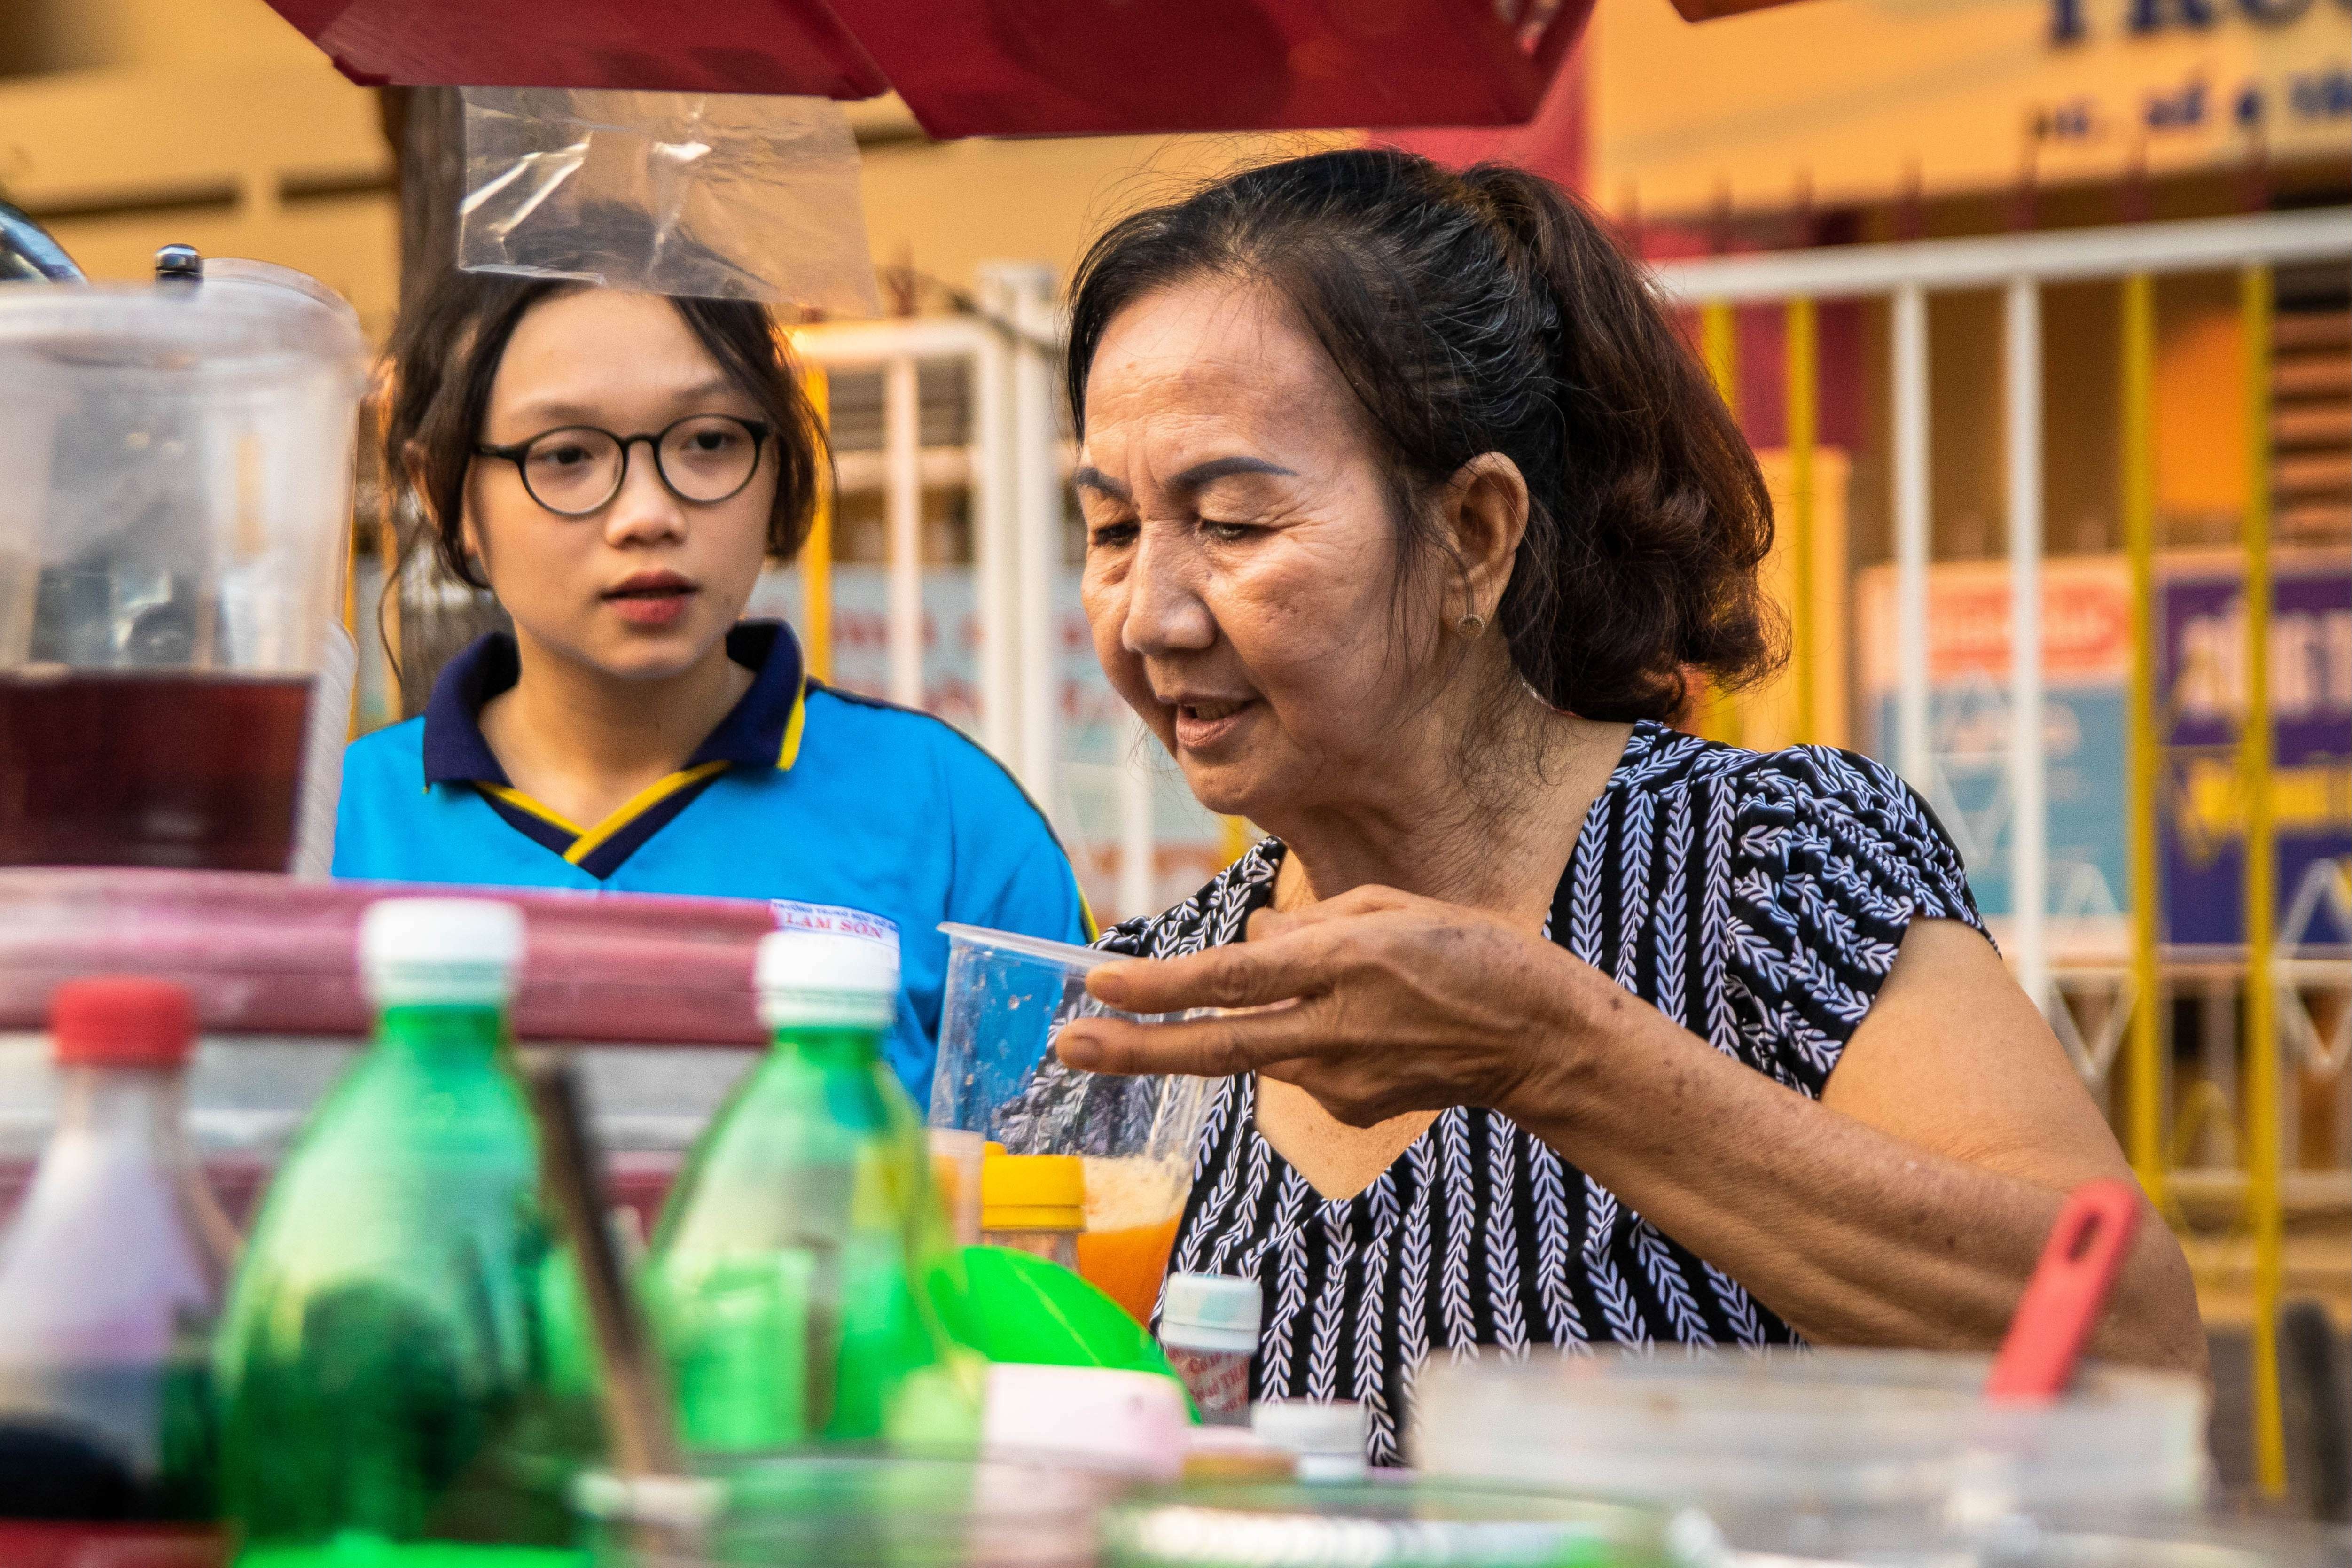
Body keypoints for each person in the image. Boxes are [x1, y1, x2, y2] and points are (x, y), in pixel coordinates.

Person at [1047, 148, 2205, 1465]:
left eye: (1236, 522)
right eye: (1111, 531)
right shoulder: (1141, 1013)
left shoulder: (1761, 871)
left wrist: (1553, 1050)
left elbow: (2135, 1342)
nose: (1146, 614)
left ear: (1474, 535)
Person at [333, 267, 1091, 1101]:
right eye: (567, 456)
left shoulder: (949, 815)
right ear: (447, 495)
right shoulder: (333, 826)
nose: (648, 514)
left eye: (707, 441)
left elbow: (1072, 1192)